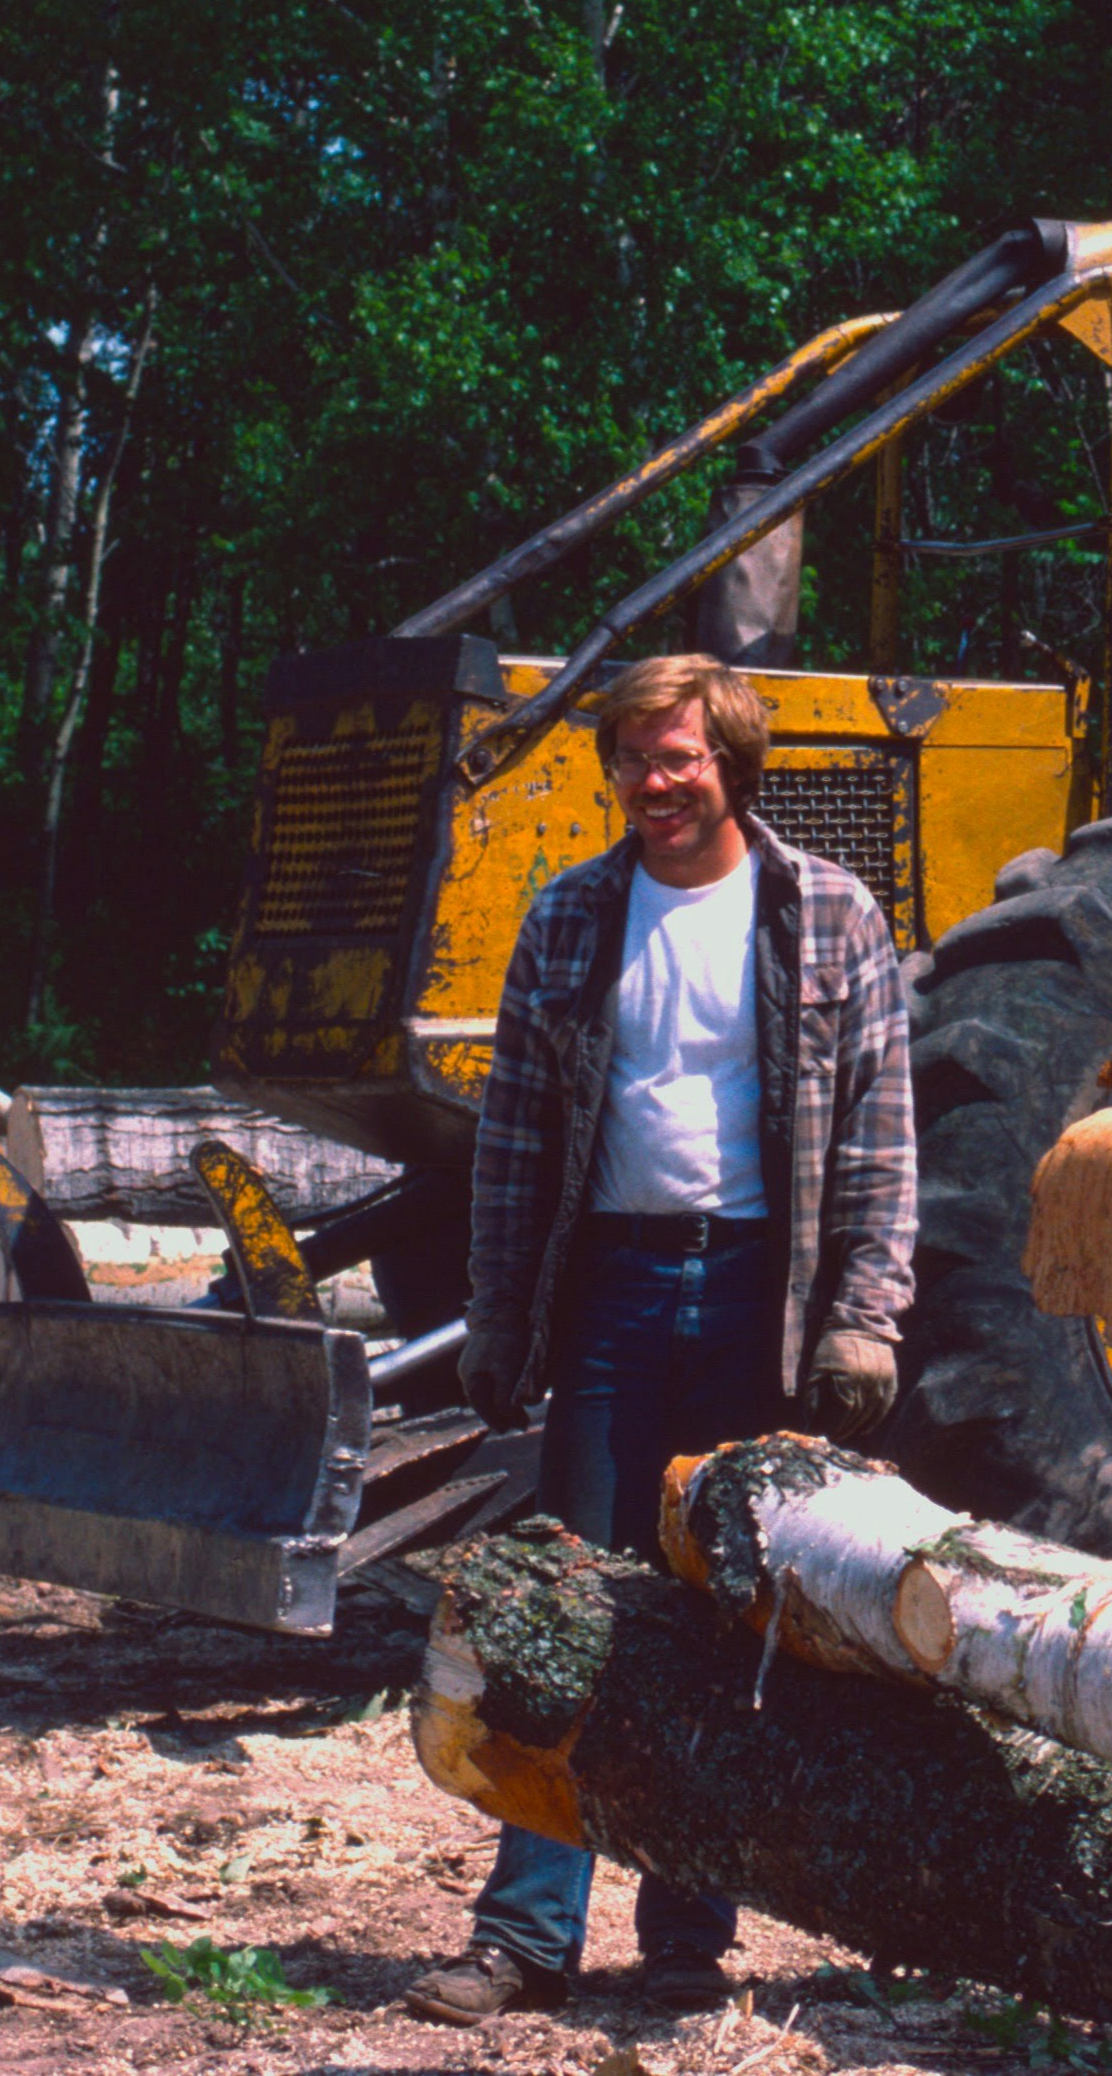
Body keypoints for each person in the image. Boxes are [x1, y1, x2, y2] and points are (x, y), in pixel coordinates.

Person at [403, 651, 916, 2027]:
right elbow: (512, 1142)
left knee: (721, 1616)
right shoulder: (573, 918)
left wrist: (865, 1320)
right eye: (631, 758)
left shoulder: (829, 916)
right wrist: (502, 1317)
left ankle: (688, 1929)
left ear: (730, 766)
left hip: (763, 1298)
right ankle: (524, 1936)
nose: (652, 783)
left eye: (676, 757)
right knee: (571, 1607)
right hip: (615, 1292)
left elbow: (878, 1139)